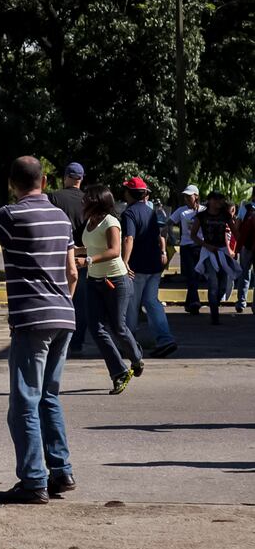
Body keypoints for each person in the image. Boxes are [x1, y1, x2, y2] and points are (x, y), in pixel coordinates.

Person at [0, 156, 78, 504]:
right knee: (49, 397)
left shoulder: (11, 215)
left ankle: (34, 480)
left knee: (24, 401)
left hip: (32, 319)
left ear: (12, 183)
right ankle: (61, 470)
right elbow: (72, 273)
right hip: (64, 316)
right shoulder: (61, 217)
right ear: (45, 179)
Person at [77, 185, 143, 394]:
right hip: (94, 281)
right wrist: (72, 249)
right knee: (96, 328)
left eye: (87, 198)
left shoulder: (111, 221)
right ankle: (119, 372)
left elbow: (115, 251)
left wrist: (87, 260)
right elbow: (92, 246)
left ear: (98, 201)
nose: (83, 201)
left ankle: (136, 358)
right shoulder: (90, 222)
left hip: (115, 281)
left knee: (118, 328)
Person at [121, 177, 177, 357]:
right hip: (153, 266)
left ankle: (128, 345)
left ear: (129, 193)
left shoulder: (129, 213)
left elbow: (129, 238)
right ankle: (165, 339)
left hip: (137, 267)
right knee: (152, 302)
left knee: (131, 305)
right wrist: (162, 253)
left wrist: (125, 262)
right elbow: (159, 236)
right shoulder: (150, 212)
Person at [47, 162, 88, 355]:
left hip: (58, 256)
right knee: (80, 303)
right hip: (83, 258)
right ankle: (76, 342)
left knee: (57, 299)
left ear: (66, 177)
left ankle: (55, 341)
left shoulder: (54, 197)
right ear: (81, 179)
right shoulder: (89, 200)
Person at [191, 191, 240, 325]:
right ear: (210, 201)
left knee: (224, 285)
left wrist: (237, 247)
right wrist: (206, 245)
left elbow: (235, 233)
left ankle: (215, 304)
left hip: (223, 251)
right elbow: (193, 236)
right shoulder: (201, 216)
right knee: (213, 283)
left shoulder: (225, 215)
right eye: (217, 199)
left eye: (221, 200)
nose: (220, 202)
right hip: (208, 252)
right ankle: (214, 314)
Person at [169, 185, 205, 314]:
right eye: (185, 196)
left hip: (200, 246)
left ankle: (189, 303)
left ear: (196, 196)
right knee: (190, 274)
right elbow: (170, 222)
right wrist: (169, 234)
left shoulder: (203, 211)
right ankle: (195, 302)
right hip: (186, 246)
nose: (187, 199)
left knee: (196, 275)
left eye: (189, 196)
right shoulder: (181, 211)